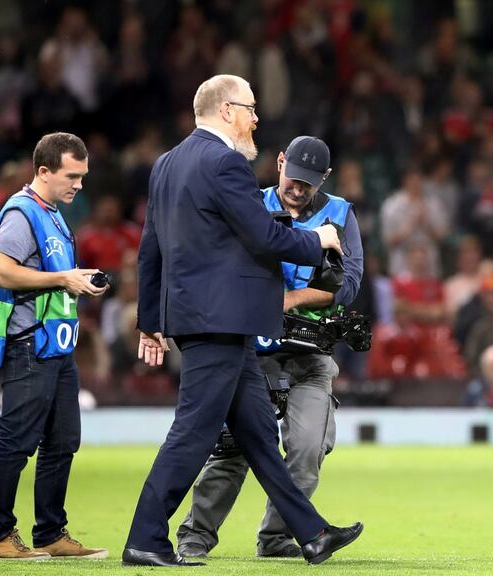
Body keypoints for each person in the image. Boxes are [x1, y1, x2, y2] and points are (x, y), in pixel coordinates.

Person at [125, 75, 362, 567]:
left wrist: (150, 320)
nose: (256, 118)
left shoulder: (167, 164)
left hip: (199, 317)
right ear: (228, 109)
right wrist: (318, 241)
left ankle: (311, 533)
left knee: (256, 434)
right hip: (221, 319)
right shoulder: (226, 163)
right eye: (251, 109)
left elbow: (150, 249)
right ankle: (146, 537)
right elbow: (264, 238)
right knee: (193, 431)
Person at [175, 135, 364, 559]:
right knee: (232, 448)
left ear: (325, 180)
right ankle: (195, 536)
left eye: (309, 184)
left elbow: (349, 285)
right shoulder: (249, 203)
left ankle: (277, 537)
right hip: (251, 352)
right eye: (293, 178)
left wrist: (291, 299)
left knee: (308, 447)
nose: (298, 189)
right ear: (279, 163)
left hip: (311, 353)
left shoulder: (341, 213)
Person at [0, 133, 109, 560]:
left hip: (57, 347)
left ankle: (50, 532)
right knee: (16, 441)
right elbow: (0, 272)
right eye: (71, 175)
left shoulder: (51, 213)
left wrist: (76, 277)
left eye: (82, 176)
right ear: (43, 171)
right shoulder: (21, 213)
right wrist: (61, 278)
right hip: (29, 345)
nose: (79, 184)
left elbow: (48, 273)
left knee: (62, 441)